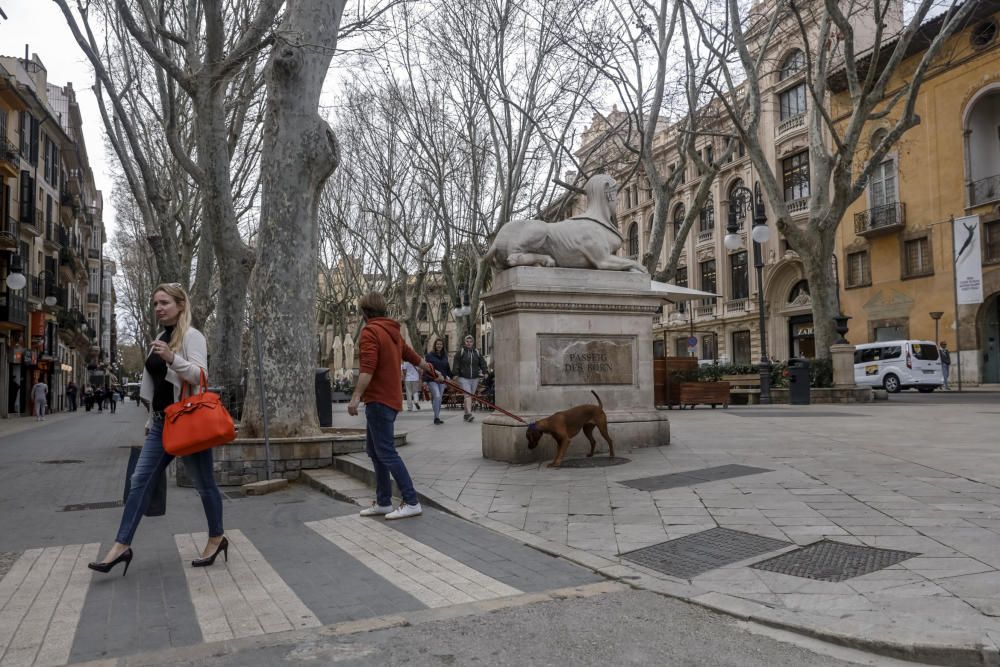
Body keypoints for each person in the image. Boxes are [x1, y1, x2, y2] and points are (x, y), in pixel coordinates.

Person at [89, 283, 226, 576]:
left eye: (164, 302)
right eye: (155, 304)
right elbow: (157, 386)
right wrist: (151, 421)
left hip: (187, 425)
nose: (159, 308)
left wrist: (172, 358)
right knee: (139, 481)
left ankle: (216, 538)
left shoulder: (192, 336)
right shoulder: (160, 337)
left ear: (180, 305)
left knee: (204, 485)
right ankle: (121, 546)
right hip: (162, 424)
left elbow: (201, 376)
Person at [348, 291, 441, 520]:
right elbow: (413, 357)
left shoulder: (370, 332)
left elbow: (367, 368)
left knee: (387, 453)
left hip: (378, 400)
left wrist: (356, 396)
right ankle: (383, 502)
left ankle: (411, 501)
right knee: (375, 451)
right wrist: (431, 371)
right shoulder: (393, 332)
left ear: (364, 312)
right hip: (390, 400)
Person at [453, 334, 488, 422]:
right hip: (463, 378)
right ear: (465, 342)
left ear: (473, 343)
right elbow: (456, 363)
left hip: (475, 378)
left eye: (470, 342)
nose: (469, 343)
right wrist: (456, 373)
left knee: (469, 397)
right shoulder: (460, 352)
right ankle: (469, 414)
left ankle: (465, 414)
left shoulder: (476, 352)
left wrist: (485, 371)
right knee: (468, 395)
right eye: (467, 341)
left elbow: (482, 363)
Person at [425, 338, 452, 425]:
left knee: (439, 399)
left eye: (441, 344)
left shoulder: (445, 356)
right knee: (437, 396)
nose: (439, 346)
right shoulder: (429, 356)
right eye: (437, 344)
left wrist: (452, 376)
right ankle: (436, 418)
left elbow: (447, 369)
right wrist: (424, 381)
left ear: (443, 346)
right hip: (432, 380)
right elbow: (426, 368)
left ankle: (437, 416)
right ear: (435, 345)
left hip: (442, 381)